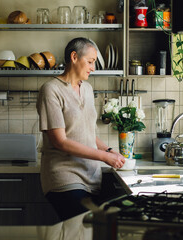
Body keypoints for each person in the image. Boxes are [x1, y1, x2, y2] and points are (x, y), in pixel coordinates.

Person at [36, 37, 125, 221]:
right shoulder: (51, 90)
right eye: (90, 62)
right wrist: (103, 157)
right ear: (74, 57)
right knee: (85, 228)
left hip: (92, 178)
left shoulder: (88, 89)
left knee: (90, 231)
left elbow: (88, 133)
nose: (93, 67)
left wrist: (109, 150)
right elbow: (59, 141)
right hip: (64, 177)